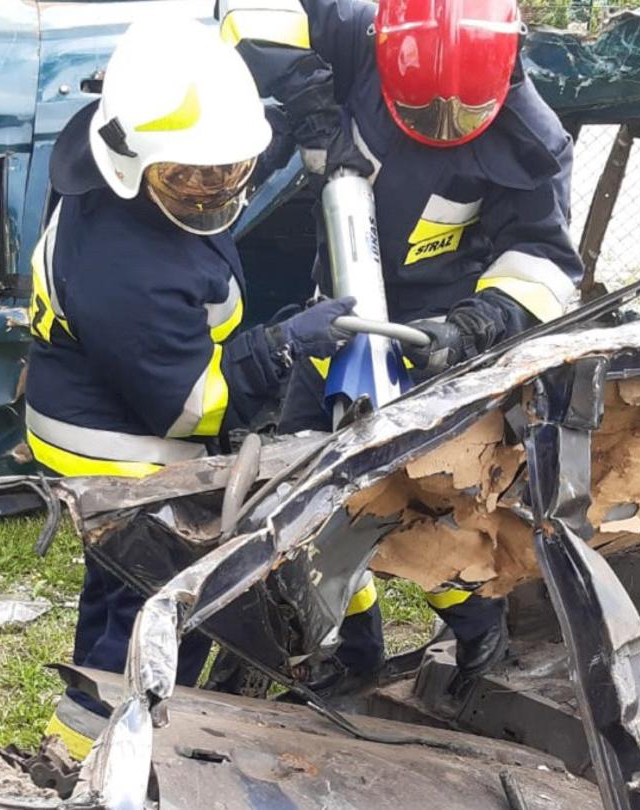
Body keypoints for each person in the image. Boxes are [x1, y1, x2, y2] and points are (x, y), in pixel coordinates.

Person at [221, 0, 582, 695]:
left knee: (412, 509)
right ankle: (356, 650)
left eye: (460, 117)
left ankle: (477, 626)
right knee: (309, 496)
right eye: (422, 112)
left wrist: (479, 324)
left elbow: (542, 263)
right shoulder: (356, 33)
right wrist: (305, 91)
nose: (441, 126)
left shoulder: (532, 141)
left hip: (433, 339)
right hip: (340, 318)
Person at [24, 17, 357, 758]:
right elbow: (187, 406)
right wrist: (274, 349)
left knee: (116, 588)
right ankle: (86, 753)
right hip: (117, 448)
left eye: (231, 168)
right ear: (131, 164)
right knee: (146, 599)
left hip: (106, 403)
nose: (213, 188)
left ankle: (103, 726)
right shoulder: (127, 268)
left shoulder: (125, 151)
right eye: (190, 175)